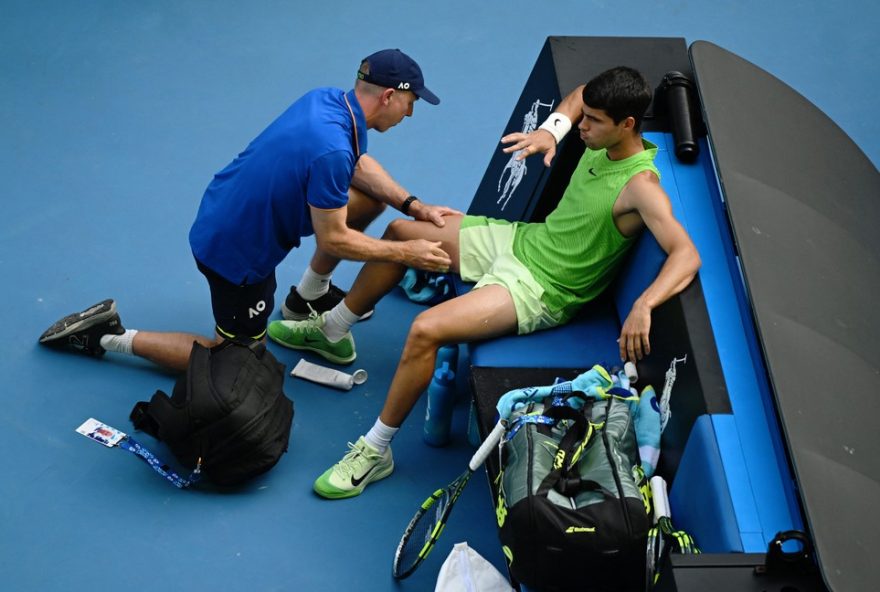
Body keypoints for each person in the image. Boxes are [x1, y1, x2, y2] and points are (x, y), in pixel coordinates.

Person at [268, 66, 702, 500]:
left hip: (541, 289)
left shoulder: (641, 187)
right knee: (401, 233)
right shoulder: (599, 127)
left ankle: (375, 451)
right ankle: (332, 331)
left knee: (425, 330)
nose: (582, 126)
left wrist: (643, 305)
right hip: (522, 242)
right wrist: (553, 131)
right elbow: (579, 94)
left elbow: (687, 254)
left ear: (626, 124)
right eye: (583, 118)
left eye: (593, 121)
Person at [38, 49, 457, 371]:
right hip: (235, 253)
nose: (411, 112)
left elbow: (358, 164)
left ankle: (306, 298)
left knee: (370, 197)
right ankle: (106, 336)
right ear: (388, 96)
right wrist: (407, 253)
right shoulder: (330, 149)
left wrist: (412, 205)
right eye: (411, 103)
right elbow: (335, 238)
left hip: (227, 209)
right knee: (235, 359)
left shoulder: (330, 103)